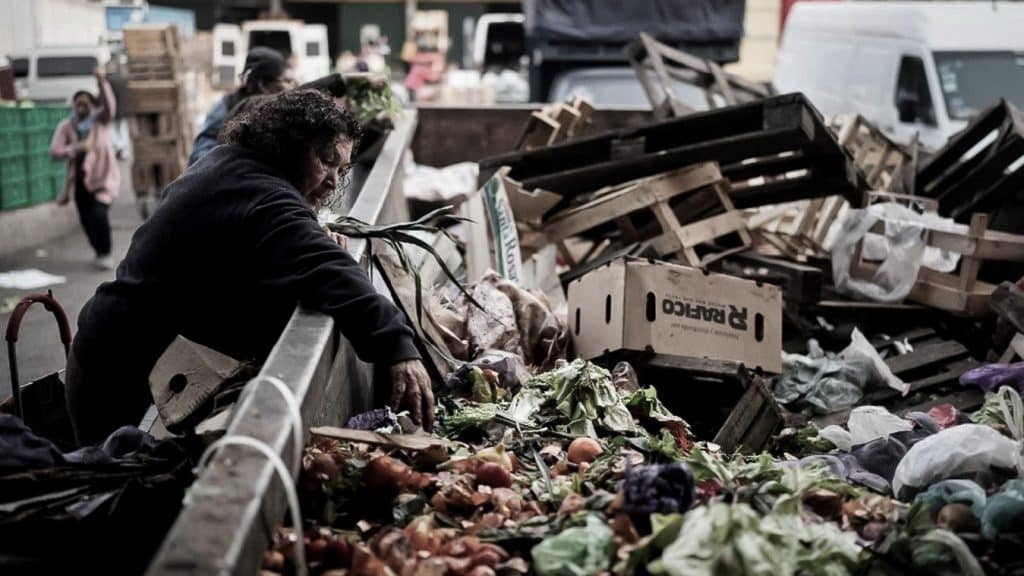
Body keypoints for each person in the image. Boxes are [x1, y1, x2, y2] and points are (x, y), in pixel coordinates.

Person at [66, 89, 434, 445]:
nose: (334, 180)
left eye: (341, 167)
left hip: (119, 350)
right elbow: (329, 270)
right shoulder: (260, 194)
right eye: (325, 159)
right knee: (104, 481)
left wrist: (312, 231)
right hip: (111, 370)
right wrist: (398, 346)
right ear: (289, 146)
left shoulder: (234, 164)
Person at [50, 67, 120, 270]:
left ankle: (106, 252)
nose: (82, 105)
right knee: (87, 220)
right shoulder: (66, 126)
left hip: (103, 179)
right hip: (80, 182)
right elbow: (55, 151)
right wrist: (77, 148)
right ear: (74, 105)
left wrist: (102, 83)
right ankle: (98, 250)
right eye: (78, 101)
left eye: (86, 101)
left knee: (99, 215)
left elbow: (110, 105)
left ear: (92, 105)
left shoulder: (101, 121)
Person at [187, 47, 296, 166]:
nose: (291, 88)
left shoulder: (280, 109)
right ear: (262, 84)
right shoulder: (226, 107)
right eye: (287, 81)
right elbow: (201, 156)